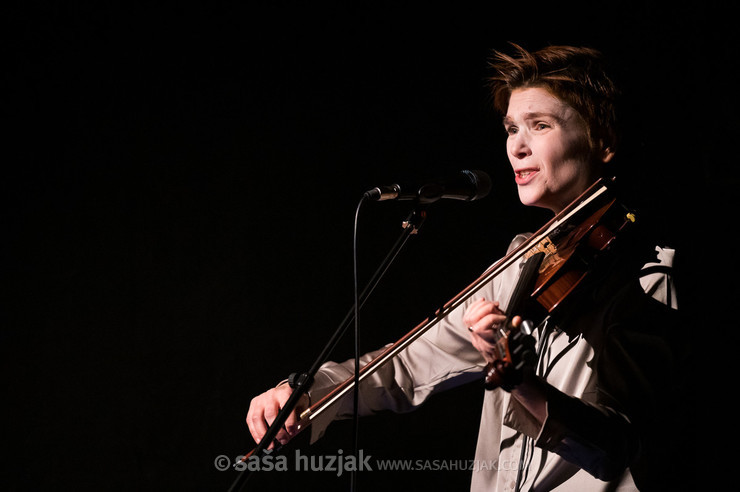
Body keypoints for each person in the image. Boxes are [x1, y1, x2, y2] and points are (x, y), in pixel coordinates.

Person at [246, 44, 687, 491]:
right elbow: (404, 367)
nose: (516, 146)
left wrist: (517, 380)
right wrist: (310, 392)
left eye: (540, 126)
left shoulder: (649, 273)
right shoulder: (524, 263)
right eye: (512, 128)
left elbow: (616, 448)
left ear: (603, 142)